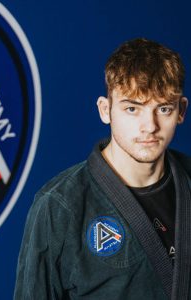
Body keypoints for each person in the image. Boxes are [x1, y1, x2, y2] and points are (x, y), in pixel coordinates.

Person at [14, 38, 190, 300]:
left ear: (181, 111)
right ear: (105, 110)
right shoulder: (60, 206)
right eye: (132, 108)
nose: (150, 126)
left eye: (163, 108)